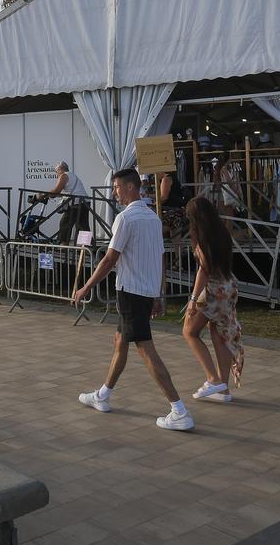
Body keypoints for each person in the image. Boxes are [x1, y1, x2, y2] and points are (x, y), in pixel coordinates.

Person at [73, 168, 194, 431]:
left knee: (145, 349)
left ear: (130, 187)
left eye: (116, 187)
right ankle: (103, 395)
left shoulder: (126, 219)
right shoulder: (153, 218)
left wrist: (86, 287)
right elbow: (159, 258)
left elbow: (110, 259)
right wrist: (158, 294)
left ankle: (179, 409)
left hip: (131, 292)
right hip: (144, 291)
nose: (114, 192)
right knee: (120, 342)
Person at [183, 197, 244, 402]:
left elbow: (204, 271)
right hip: (228, 287)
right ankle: (223, 390)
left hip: (214, 290)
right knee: (219, 335)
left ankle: (213, 379)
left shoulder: (203, 237)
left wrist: (192, 299)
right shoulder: (222, 232)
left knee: (189, 331)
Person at [43, 161, 90, 245]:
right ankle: (86, 247)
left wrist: (44, 194)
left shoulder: (64, 175)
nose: (56, 174)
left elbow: (56, 191)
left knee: (64, 223)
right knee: (83, 225)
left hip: (76, 203)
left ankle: (63, 246)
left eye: (56, 171)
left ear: (60, 169)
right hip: (85, 202)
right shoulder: (72, 176)